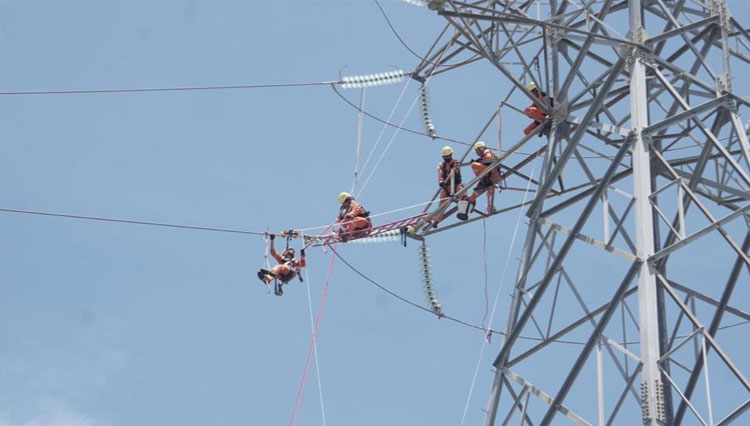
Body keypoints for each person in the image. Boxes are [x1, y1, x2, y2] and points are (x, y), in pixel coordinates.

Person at [466, 141, 502, 213]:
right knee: (481, 190)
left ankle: (470, 203)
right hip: (489, 177)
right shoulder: (484, 157)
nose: (477, 153)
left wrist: (477, 162)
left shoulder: (487, 151)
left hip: (492, 173)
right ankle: (487, 206)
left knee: (473, 165)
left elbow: (488, 159)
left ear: (481, 148)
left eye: (477, 150)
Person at [432, 146, 463, 226]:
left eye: (447, 156)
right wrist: (441, 181)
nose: (446, 158)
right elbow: (440, 172)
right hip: (447, 187)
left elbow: (456, 170)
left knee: (462, 195)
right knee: (441, 205)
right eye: (444, 157)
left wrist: (454, 168)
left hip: (456, 186)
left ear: (451, 155)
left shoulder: (455, 162)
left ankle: (464, 210)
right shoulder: (441, 165)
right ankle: (436, 220)